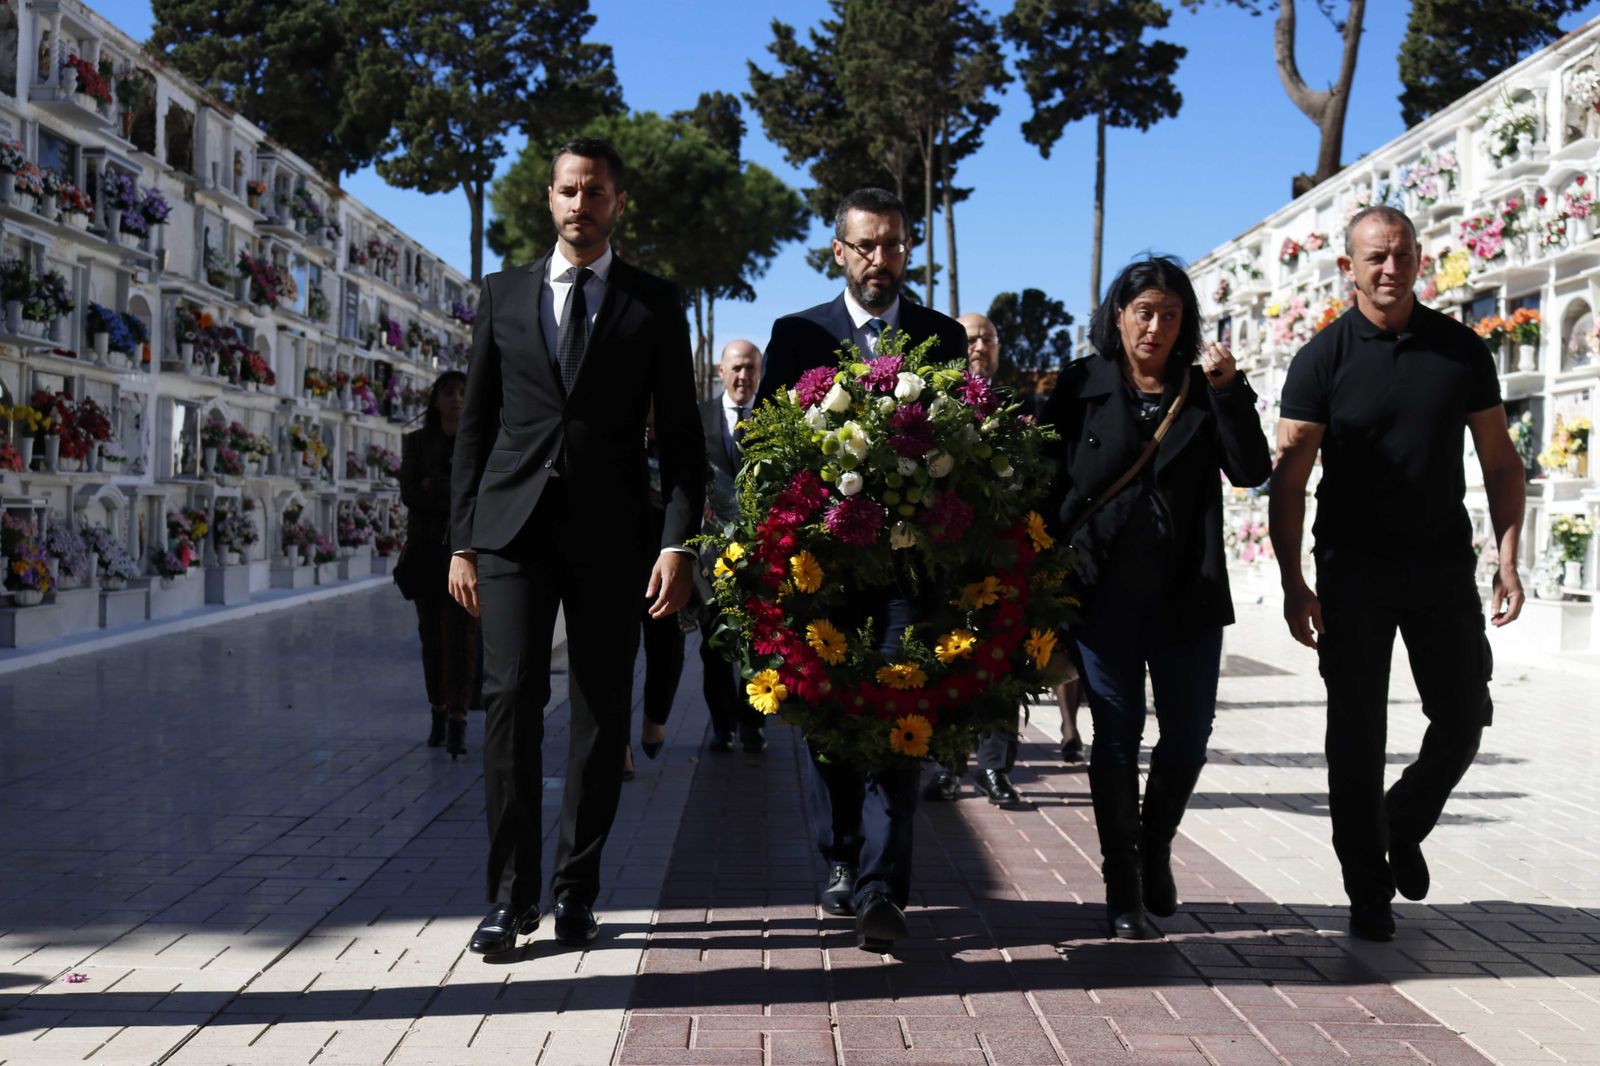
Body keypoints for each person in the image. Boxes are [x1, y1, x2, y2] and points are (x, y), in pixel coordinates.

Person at [448, 136, 704, 955]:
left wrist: (678, 544)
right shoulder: (502, 293)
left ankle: (575, 890)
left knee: (599, 713)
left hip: (613, 535)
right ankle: (509, 897)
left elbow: (686, 442)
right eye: (568, 191)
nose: (580, 205)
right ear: (548, 199)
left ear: (617, 203)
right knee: (510, 700)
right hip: (511, 533)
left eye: (595, 193)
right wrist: (461, 541)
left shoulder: (653, 303)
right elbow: (475, 427)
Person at [1269, 206, 1525, 943]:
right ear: (1347, 267)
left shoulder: (1459, 350)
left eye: (1403, 255)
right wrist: (1293, 581)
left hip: (1442, 565)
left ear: (1420, 260)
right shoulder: (1321, 360)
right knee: (1356, 730)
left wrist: (1507, 557)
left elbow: (1500, 459)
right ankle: (1366, 886)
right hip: (1352, 569)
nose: (1391, 268)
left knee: (1464, 715)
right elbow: (1290, 483)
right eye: (1375, 257)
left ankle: (1400, 819)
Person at [757, 187, 968, 950]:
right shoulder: (796, 337)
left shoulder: (942, 338)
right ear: (839, 252)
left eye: (894, 244)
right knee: (828, 715)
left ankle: (883, 885)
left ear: (910, 248)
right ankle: (840, 857)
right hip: (825, 572)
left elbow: (967, 455)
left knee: (897, 712)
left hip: (911, 575)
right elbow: (769, 453)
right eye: (867, 246)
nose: (882, 260)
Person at [1043, 256, 1271, 940]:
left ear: (1186, 325)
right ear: (1118, 315)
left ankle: (1154, 846)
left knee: (1189, 739)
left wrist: (1232, 391)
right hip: (1100, 595)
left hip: (1186, 597)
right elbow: (1041, 483)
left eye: (1170, 316)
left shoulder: (1203, 390)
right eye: (1143, 312)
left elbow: (1252, 470)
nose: (1155, 327)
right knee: (1115, 741)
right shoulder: (1080, 385)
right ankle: (1123, 892)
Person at [925, 313, 1026, 808]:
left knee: (1001, 662)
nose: (979, 345)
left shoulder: (1017, 406)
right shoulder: (935, 405)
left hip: (1004, 552)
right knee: (949, 660)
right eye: (969, 338)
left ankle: (994, 768)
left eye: (987, 337)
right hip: (949, 552)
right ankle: (947, 766)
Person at [398, 371, 479, 759]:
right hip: (427, 554)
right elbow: (411, 494)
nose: (457, 399)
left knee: (462, 637)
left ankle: (459, 719)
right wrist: (448, 491)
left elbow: (477, 496)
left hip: (465, 553)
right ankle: (438, 710)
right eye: (449, 393)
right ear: (435, 400)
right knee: (431, 635)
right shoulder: (416, 444)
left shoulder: (478, 442)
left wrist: (438, 486)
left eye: (463, 392)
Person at [700, 339, 766, 754]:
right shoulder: (698, 416)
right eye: (736, 368)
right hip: (711, 555)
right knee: (715, 644)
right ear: (720, 372)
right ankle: (721, 724)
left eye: (751, 369)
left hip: (762, 553)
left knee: (758, 642)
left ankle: (752, 724)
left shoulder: (774, 418)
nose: (743, 377)